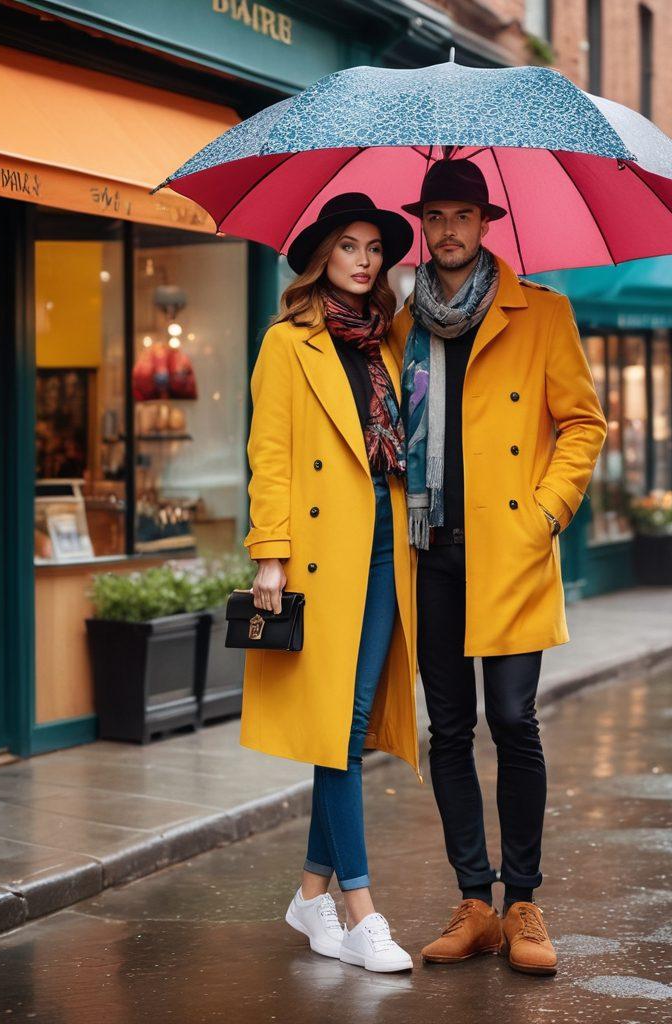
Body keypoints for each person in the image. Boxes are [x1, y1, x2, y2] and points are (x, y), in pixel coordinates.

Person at [389, 159, 607, 977]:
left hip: (509, 550)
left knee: (513, 720)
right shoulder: (402, 323)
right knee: (449, 729)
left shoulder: (540, 314)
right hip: (431, 549)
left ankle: (523, 900)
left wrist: (546, 512)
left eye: (461, 216)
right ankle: (474, 900)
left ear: (486, 225)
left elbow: (582, 424)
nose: (446, 230)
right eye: (434, 216)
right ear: (424, 226)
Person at [242, 193, 418, 973]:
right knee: (340, 727)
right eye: (350, 245)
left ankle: (310, 894)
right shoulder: (288, 343)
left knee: (344, 728)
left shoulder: (388, 343)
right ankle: (360, 910)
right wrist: (269, 553)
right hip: (320, 553)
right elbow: (269, 453)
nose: (365, 259)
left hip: (386, 546)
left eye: (376, 248)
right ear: (323, 255)